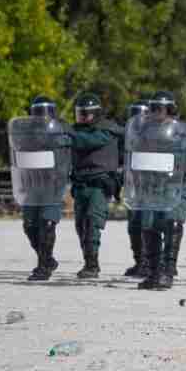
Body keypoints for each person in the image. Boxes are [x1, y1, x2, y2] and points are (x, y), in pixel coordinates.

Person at [133, 91, 186, 290]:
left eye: (160, 109)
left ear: (170, 109)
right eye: (153, 108)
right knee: (149, 227)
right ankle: (153, 272)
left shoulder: (182, 131)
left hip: (173, 184)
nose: (155, 112)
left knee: (172, 225)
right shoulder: (144, 131)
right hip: (151, 185)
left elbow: (185, 157)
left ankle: (168, 272)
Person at [9, 96, 71, 281]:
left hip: (53, 185)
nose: (40, 116)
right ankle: (48, 259)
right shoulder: (26, 133)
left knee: (47, 223)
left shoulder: (63, 130)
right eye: (37, 113)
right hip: (32, 185)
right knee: (29, 226)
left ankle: (43, 266)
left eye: (43, 112)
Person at [69, 92, 123, 279]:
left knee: (93, 221)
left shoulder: (106, 131)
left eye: (86, 114)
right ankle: (88, 261)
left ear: (97, 114)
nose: (82, 117)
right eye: (80, 113)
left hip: (99, 185)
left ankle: (92, 265)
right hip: (80, 185)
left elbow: (88, 141)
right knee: (80, 225)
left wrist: (65, 133)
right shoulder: (74, 131)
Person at [122, 99, 151, 278]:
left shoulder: (158, 135)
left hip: (152, 188)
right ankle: (140, 261)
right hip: (135, 187)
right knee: (134, 226)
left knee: (149, 226)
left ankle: (151, 262)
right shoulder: (128, 136)